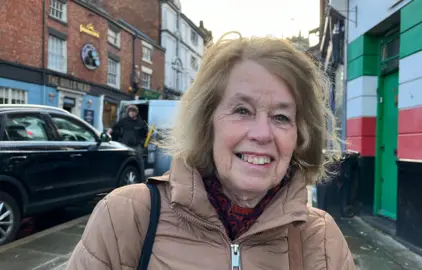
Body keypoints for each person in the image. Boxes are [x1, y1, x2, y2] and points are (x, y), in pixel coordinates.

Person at [67, 33, 355, 269]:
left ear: (300, 136)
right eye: (242, 110)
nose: (262, 134)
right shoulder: (127, 218)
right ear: (207, 123)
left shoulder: (322, 240)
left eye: (281, 117)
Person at [108, 104, 149, 173]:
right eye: (130, 111)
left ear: (136, 112)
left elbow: (147, 133)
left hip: (137, 146)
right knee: (124, 162)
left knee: (139, 161)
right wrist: (108, 132)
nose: (132, 113)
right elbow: (114, 127)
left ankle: (141, 177)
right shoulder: (124, 121)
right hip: (125, 146)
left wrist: (145, 139)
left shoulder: (141, 122)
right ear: (128, 112)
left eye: (133, 111)